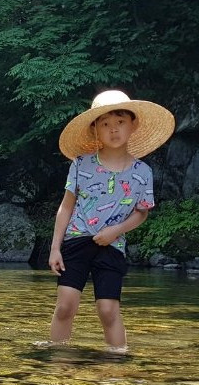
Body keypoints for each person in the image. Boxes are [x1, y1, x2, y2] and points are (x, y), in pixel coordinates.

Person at [37, 90, 175, 353]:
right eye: (105, 124)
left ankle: (117, 359)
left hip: (113, 245)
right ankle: (59, 356)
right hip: (76, 240)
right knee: (66, 304)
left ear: (133, 125)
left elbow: (142, 212)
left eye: (120, 122)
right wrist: (55, 247)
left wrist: (116, 231)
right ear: (95, 130)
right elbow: (66, 206)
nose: (114, 130)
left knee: (108, 309)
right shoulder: (80, 165)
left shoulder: (142, 172)